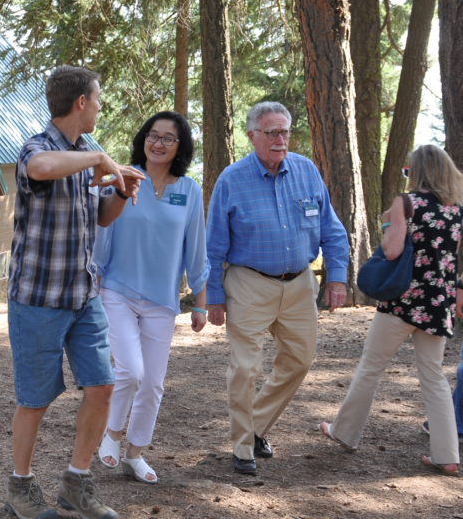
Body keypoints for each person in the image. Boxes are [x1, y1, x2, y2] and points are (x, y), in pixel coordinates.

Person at [4, 65, 144, 519]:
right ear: (80, 102)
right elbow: (41, 169)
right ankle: (20, 486)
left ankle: (76, 481)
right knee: (36, 399)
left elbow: (102, 219)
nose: (100, 108)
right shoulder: (38, 147)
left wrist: (122, 191)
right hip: (38, 298)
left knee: (103, 386)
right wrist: (101, 162)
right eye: (98, 99)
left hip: (84, 295)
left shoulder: (87, 154)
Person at [205, 101, 349, 476]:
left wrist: (336, 276)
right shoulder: (232, 179)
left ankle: (254, 427)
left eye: (285, 131)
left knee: (299, 361)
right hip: (248, 283)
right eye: (271, 132)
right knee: (245, 368)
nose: (280, 139)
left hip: (300, 282)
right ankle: (242, 448)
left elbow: (332, 229)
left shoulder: (306, 171)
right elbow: (213, 245)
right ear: (252, 135)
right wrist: (214, 297)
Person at [319, 144, 462, 475]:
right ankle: (447, 455)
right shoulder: (456, 210)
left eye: (408, 170)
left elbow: (393, 250)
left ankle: (344, 432)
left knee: (371, 367)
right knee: (434, 377)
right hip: (437, 305)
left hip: (402, 301)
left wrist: (387, 223)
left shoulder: (406, 203)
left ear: (418, 171)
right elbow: (449, 257)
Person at [94, 111, 209, 484]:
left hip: (162, 298)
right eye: (152, 136)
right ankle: (112, 433)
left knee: (154, 382)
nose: (158, 143)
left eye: (168, 138)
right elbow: (101, 228)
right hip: (117, 289)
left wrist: (201, 302)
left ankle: (135, 453)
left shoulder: (189, 190)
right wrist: (92, 278)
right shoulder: (123, 178)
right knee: (130, 370)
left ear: (180, 147)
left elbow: (196, 248)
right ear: (143, 139)